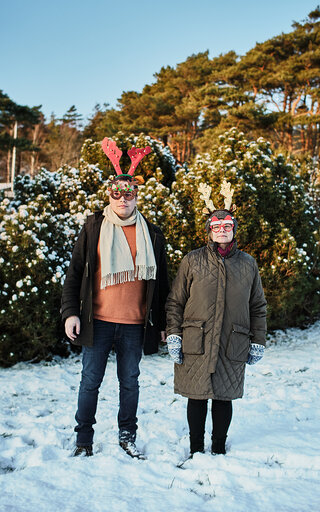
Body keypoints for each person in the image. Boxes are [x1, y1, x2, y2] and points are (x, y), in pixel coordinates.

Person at [61, 138, 169, 458]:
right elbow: (76, 272)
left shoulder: (152, 233)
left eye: (129, 192)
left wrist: (162, 323)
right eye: (116, 192)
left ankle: (127, 434)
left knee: (130, 383)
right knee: (90, 381)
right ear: (109, 193)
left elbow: (161, 283)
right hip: (99, 321)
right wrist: (71, 313)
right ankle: (83, 439)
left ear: (137, 195)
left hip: (135, 324)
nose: (123, 198)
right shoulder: (94, 226)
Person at [165, 180, 267, 456]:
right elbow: (176, 300)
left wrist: (258, 340)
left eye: (227, 227)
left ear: (234, 230)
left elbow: (257, 305)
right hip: (196, 339)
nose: (222, 231)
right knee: (196, 396)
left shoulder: (247, 264)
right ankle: (196, 448)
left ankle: (218, 446)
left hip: (232, 341)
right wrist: (174, 334)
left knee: (224, 396)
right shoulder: (192, 260)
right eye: (216, 227)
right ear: (209, 231)